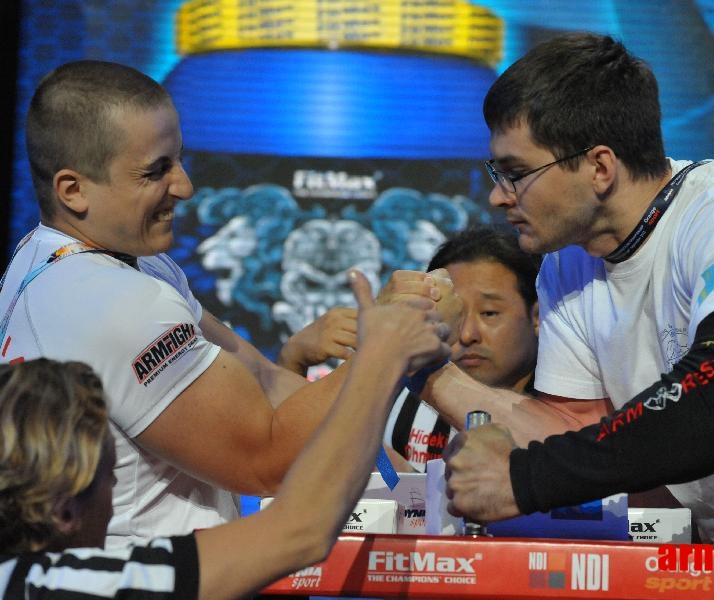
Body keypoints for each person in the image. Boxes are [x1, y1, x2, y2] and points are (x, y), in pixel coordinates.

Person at [392, 32, 714, 591]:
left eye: (515, 173)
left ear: (600, 167)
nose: (498, 196)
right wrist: (424, 369)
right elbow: (575, 433)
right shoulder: (569, 265)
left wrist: (523, 479)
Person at [0, 59, 452, 548]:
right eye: (155, 171)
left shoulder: (54, 257)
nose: (185, 186)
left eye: (178, 159)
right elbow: (265, 462)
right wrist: (382, 347)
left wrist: (399, 476)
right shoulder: (113, 302)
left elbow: (263, 378)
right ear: (73, 190)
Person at [0, 271, 450, 599]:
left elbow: (266, 383)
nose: (116, 487)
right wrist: (377, 359)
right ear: (61, 511)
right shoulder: (90, 584)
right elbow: (300, 529)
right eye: (109, 474)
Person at [384, 224, 542, 471]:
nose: (467, 334)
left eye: (489, 313)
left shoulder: (575, 408)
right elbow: (386, 489)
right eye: (455, 314)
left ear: (537, 316)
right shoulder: (398, 402)